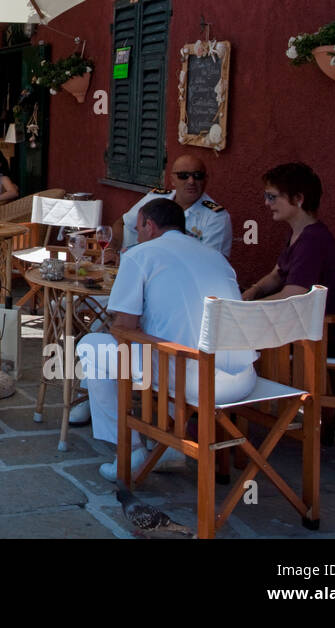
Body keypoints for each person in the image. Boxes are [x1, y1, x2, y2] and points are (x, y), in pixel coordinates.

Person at [76, 198, 258, 481]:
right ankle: (171, 445)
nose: (137, 235)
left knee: (92, 348)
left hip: (195, 380)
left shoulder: (141, 254)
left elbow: (123, 327)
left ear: (149, 226)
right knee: (171, 342)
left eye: (138, 228)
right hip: (242, 379)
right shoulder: (216, 257)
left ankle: (131, 448)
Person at [242, 162, 335, 356]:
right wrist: (253, 292)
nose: (267, 203)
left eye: (272, 197)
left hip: (319, 335)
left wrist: (247, 310)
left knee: (236, 332)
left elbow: (293, 296)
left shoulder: (312, 240)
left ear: (299, 199)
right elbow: (276, 275)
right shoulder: (299, 234)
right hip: (300, 325)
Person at [112, 153, 232, 257]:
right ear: (172, 180)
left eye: (197, 176)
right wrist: (110, 251)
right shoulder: (155, 198)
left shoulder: (216, 217)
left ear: (205, 180)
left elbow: (211, 263)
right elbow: (121, 223)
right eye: (183, 176)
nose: (191, 181)